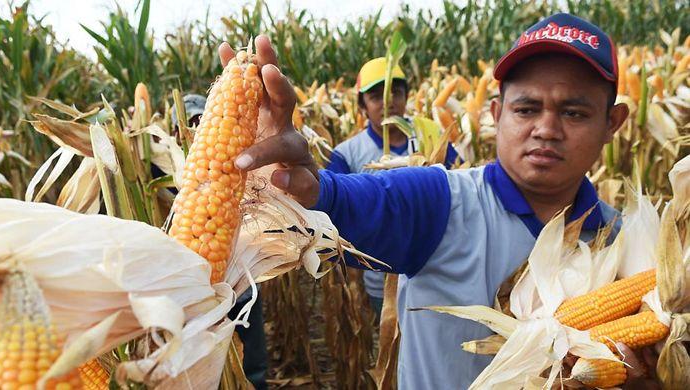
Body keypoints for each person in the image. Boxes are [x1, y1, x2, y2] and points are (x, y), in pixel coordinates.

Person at [219, 13, 656, 388]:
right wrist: (302, 182)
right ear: (496, 113)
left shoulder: (633, 250)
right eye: (526, 109)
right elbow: (337, 199)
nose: (547, 128)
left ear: (612, 122)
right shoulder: (439, 202)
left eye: (574, 113)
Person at [327, 57, 460, 320]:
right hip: (381, 281)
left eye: (395, 93)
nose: (388, 102)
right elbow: (334, 221)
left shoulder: (430, 133)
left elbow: (461, 181)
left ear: (406, 96)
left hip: (439, 271)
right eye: (376, 96)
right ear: (362, 105)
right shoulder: (346, 153)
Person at [166, 94, 270, 390]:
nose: (197, 128)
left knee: (252, 366)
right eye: (189, 124)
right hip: (188, 297)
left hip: (239, 285)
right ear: (175, 131)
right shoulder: (157, 171)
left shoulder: (239, 159)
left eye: (201, 121)